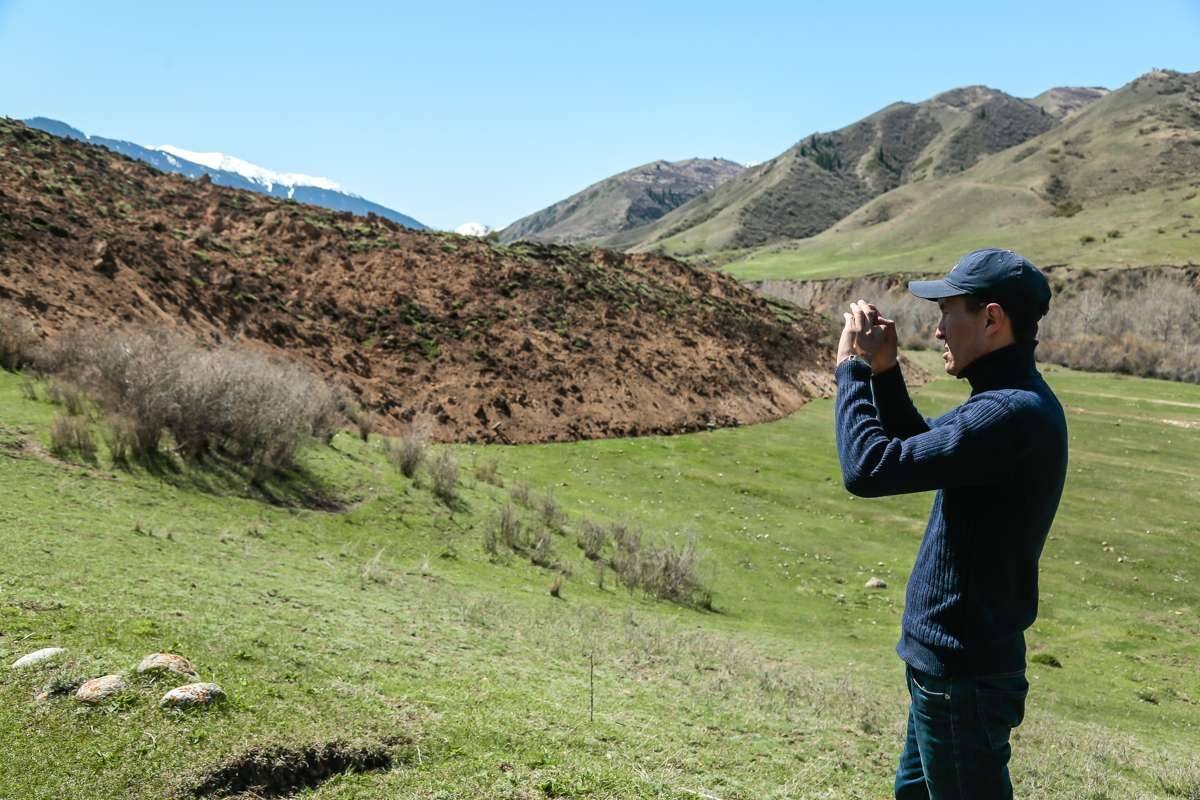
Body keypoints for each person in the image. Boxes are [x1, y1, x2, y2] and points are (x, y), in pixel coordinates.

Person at [832, 248, 1068, 799]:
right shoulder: (1003, 404)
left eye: (948, 313)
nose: (938, 331)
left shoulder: (1007, 412)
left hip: (963, 675)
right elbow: (922, 450)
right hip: (951, 670)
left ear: (991, 319)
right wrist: (886, 374)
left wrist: (851, 373)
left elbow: (869, 468)